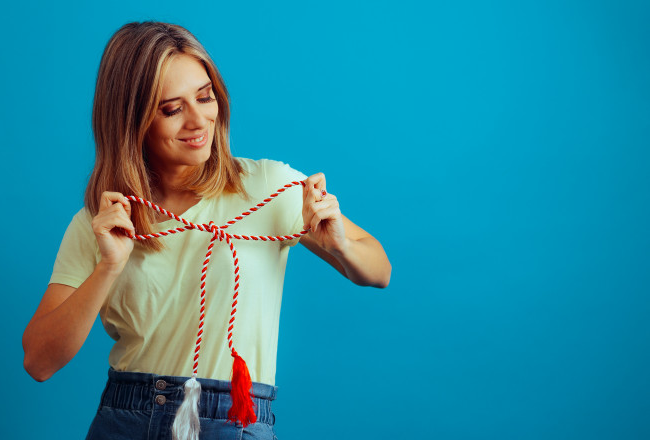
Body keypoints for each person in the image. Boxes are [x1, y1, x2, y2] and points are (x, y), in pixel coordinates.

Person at [22, 21, 391, 440]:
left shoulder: (268, 188)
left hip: (233, 418)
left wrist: (340, 245)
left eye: (204, 96)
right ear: (131, 120)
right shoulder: (105, 222)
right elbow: (38, 361)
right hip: (125, 418)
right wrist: (108, 265)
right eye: (172, 109)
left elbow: (380, 271)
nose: (199, 121)